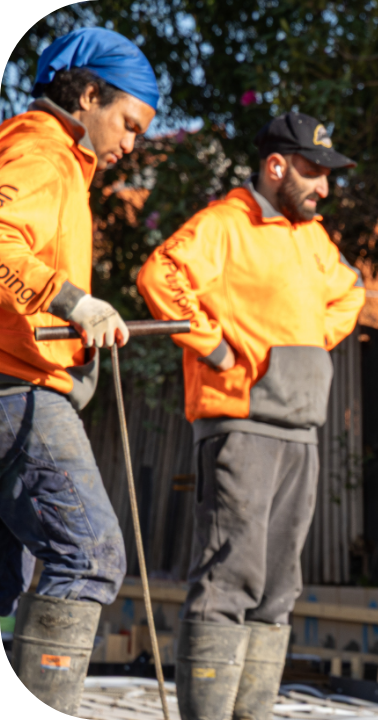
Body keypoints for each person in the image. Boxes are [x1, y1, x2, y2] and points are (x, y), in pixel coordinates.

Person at [136, 112, 365, 720]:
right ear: (276, 166)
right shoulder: (226, 223)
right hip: (240, 426)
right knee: (229, 579)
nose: (325, 187)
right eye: (315, 173)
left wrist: (305, 346)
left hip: (300, 429)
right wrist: (216, 348)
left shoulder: (311, 237)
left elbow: (352, 292)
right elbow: (160, 272)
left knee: (279, 588)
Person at [0, 27, 159, 714]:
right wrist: (73, 299)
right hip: (16, 388)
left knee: (7, 582)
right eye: (128, 123)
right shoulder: (42, 151)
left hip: (21, 380)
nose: (132, 143)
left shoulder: (63, 163)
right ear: (88, 95)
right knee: (88, 555)